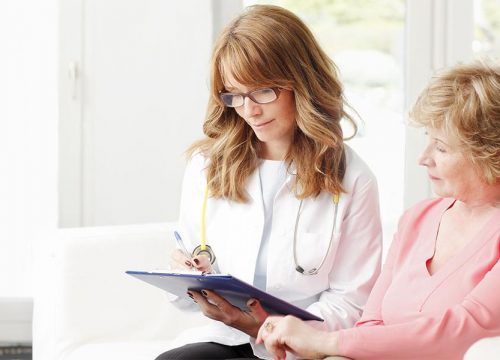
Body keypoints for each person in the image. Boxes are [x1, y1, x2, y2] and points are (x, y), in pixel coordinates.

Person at [155, 4, 382, 360]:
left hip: (302, 348)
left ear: (302, 82)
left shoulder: (353, 179)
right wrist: (187, 273)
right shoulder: (207, 165)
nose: (249, 110)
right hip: (226, 339)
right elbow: (192, 267)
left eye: (263, 91)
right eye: (234, 95)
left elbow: (352, 303)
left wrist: (267, 328)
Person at [257, 60, 500, 360]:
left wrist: (326, 342)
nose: (423, 159)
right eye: (427, 140)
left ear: (490, 154)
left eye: (441, 148)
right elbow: (371, 323)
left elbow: (464, 331)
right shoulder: (418, 220)